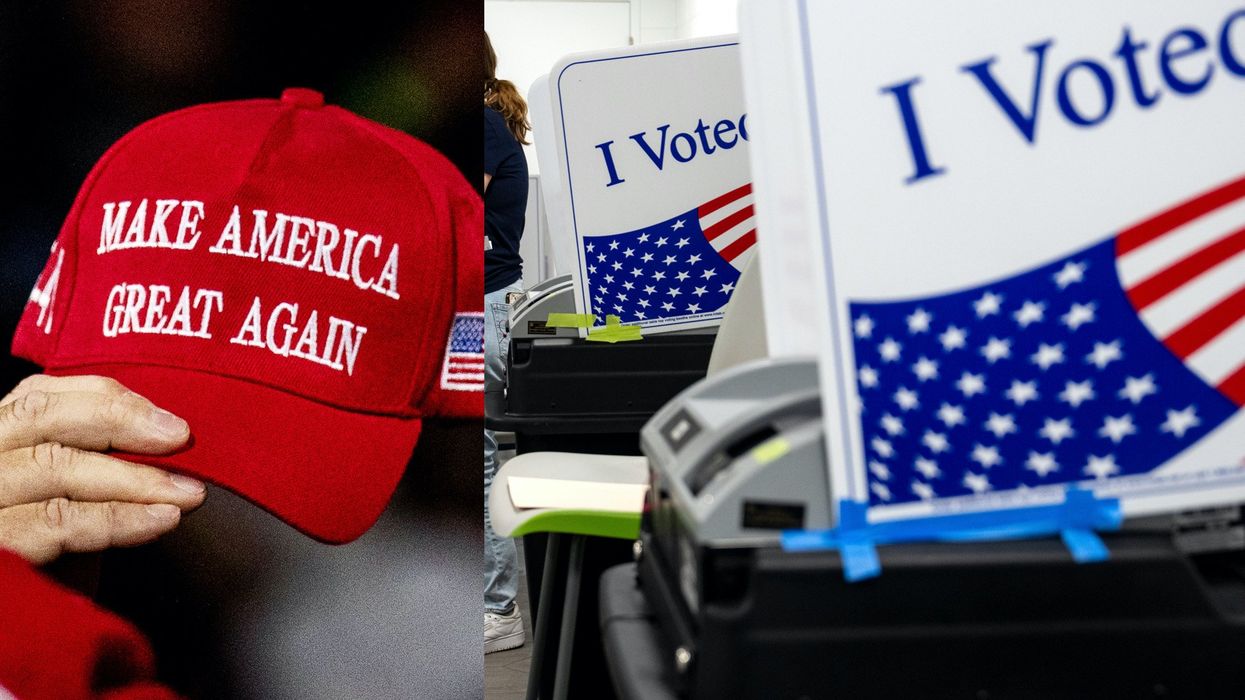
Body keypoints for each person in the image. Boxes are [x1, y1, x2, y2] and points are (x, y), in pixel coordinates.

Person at [483, 30, 531, 654]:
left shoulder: (484, 127)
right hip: (488, 306)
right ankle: (496, 604)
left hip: (487, 305)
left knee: (482, 460)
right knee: (482, 455)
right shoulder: (494, 123)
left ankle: (500, 609)